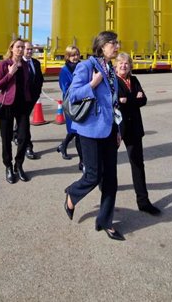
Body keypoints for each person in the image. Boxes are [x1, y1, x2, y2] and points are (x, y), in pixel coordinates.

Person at [64, 31, 125, 241]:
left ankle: (106, 221)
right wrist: (92, 84)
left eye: (117, 43)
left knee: (111, 179)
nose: (117, 46)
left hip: (109, 131)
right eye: (113, 43)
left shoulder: (110, 69)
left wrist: (118, 130)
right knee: (92, 176)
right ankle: (72, 193)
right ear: (101, 45)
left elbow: (114, 103)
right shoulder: (87, 66)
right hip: (90, 131)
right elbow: (73, 94)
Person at [115, 52, 160, 215]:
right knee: (109, 164)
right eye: (120, 63)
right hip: (117, 129)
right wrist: (133, 99)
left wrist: (127, 100)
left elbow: (144, 100)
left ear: (130, 66)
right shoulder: (112, 81)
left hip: (134, 128)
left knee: (138, 164)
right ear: (116, 65)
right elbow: (115, 102)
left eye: (126, 63)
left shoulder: (134, 80)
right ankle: (105, 193)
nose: (123, 66)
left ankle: (143, 201)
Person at [0, 38, 33, 184]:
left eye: (23, 47)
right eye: (18, 47)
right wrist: (10, 73)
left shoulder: (25, 65)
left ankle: (19, 165)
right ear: (11, 48)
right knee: (6, 138)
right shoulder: (4, 64)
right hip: (7, 105)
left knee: (23, 137)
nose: (21, 49)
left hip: (22, 105)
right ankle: (8, 166)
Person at [56, 45, 84, 170]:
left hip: (84, 103)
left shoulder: (83, 67)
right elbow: (65, 88)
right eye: (72, 55)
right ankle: (82, 161)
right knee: (76, 132)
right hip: (71, 104)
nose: (75, 57)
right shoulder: (65, 70)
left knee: (77, 131)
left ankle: (63, 146)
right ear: (67, 56)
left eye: (77, 54)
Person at [20, 41, 43, 160]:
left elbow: (40, 79)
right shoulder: (18, 63)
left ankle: (17, 133)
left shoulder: (36, 63)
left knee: (22, 123)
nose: (29, 51)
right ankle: (28, 147)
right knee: (24, 123)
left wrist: (37, 93)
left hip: (32, 98)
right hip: (20, 99)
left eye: (31, 49)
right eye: (27, 49)